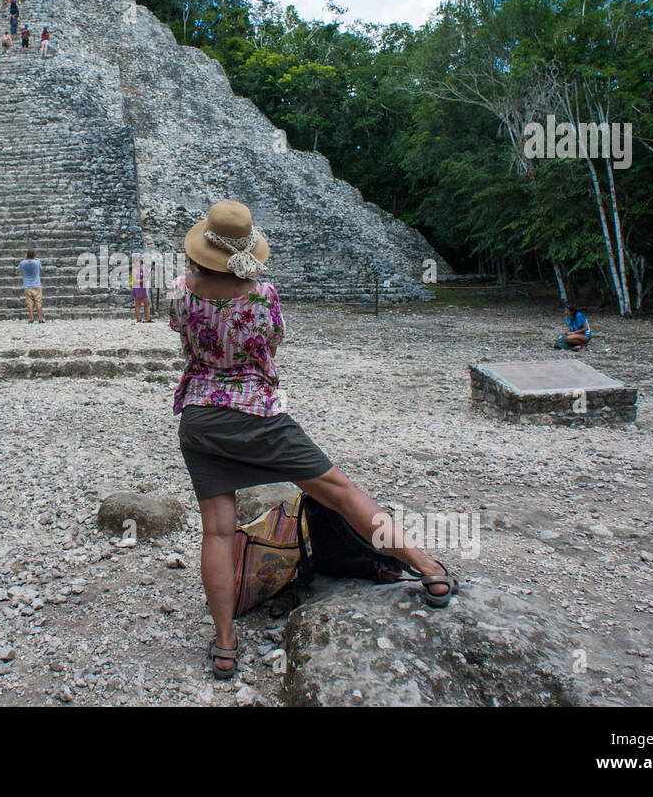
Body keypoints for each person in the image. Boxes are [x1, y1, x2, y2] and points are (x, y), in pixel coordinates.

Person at [170, 201, 457, 680]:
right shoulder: (262, 295)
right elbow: (271, 344)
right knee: (340, 492)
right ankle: (429, 569)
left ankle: (224, 645)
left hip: (200, 417)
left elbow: (186, 340)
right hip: (257, 415)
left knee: (217, 531)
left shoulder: (181, 291)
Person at [19, 250, 44, 323]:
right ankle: (40, 319)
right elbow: (41, 268)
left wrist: (24, 258)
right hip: (37, 284)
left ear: (26, 255)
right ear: (34, 255)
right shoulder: (37, 262)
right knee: (38, 302)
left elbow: (19, 268)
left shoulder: (22, 263)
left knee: (29, 303)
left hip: (27, 285)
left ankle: (31, 319)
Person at [131, 253, 152, 322]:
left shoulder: (141, 270)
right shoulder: (134, 270)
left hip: (142, 288)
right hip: (137, 288)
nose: (139, 262)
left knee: (146, 303)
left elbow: (145, 278)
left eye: (140, 261)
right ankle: (140, 318)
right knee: (139, 303)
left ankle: (145, 318)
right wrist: (143, 280)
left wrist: (148, 273)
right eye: (137, 261)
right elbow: (134, 281)